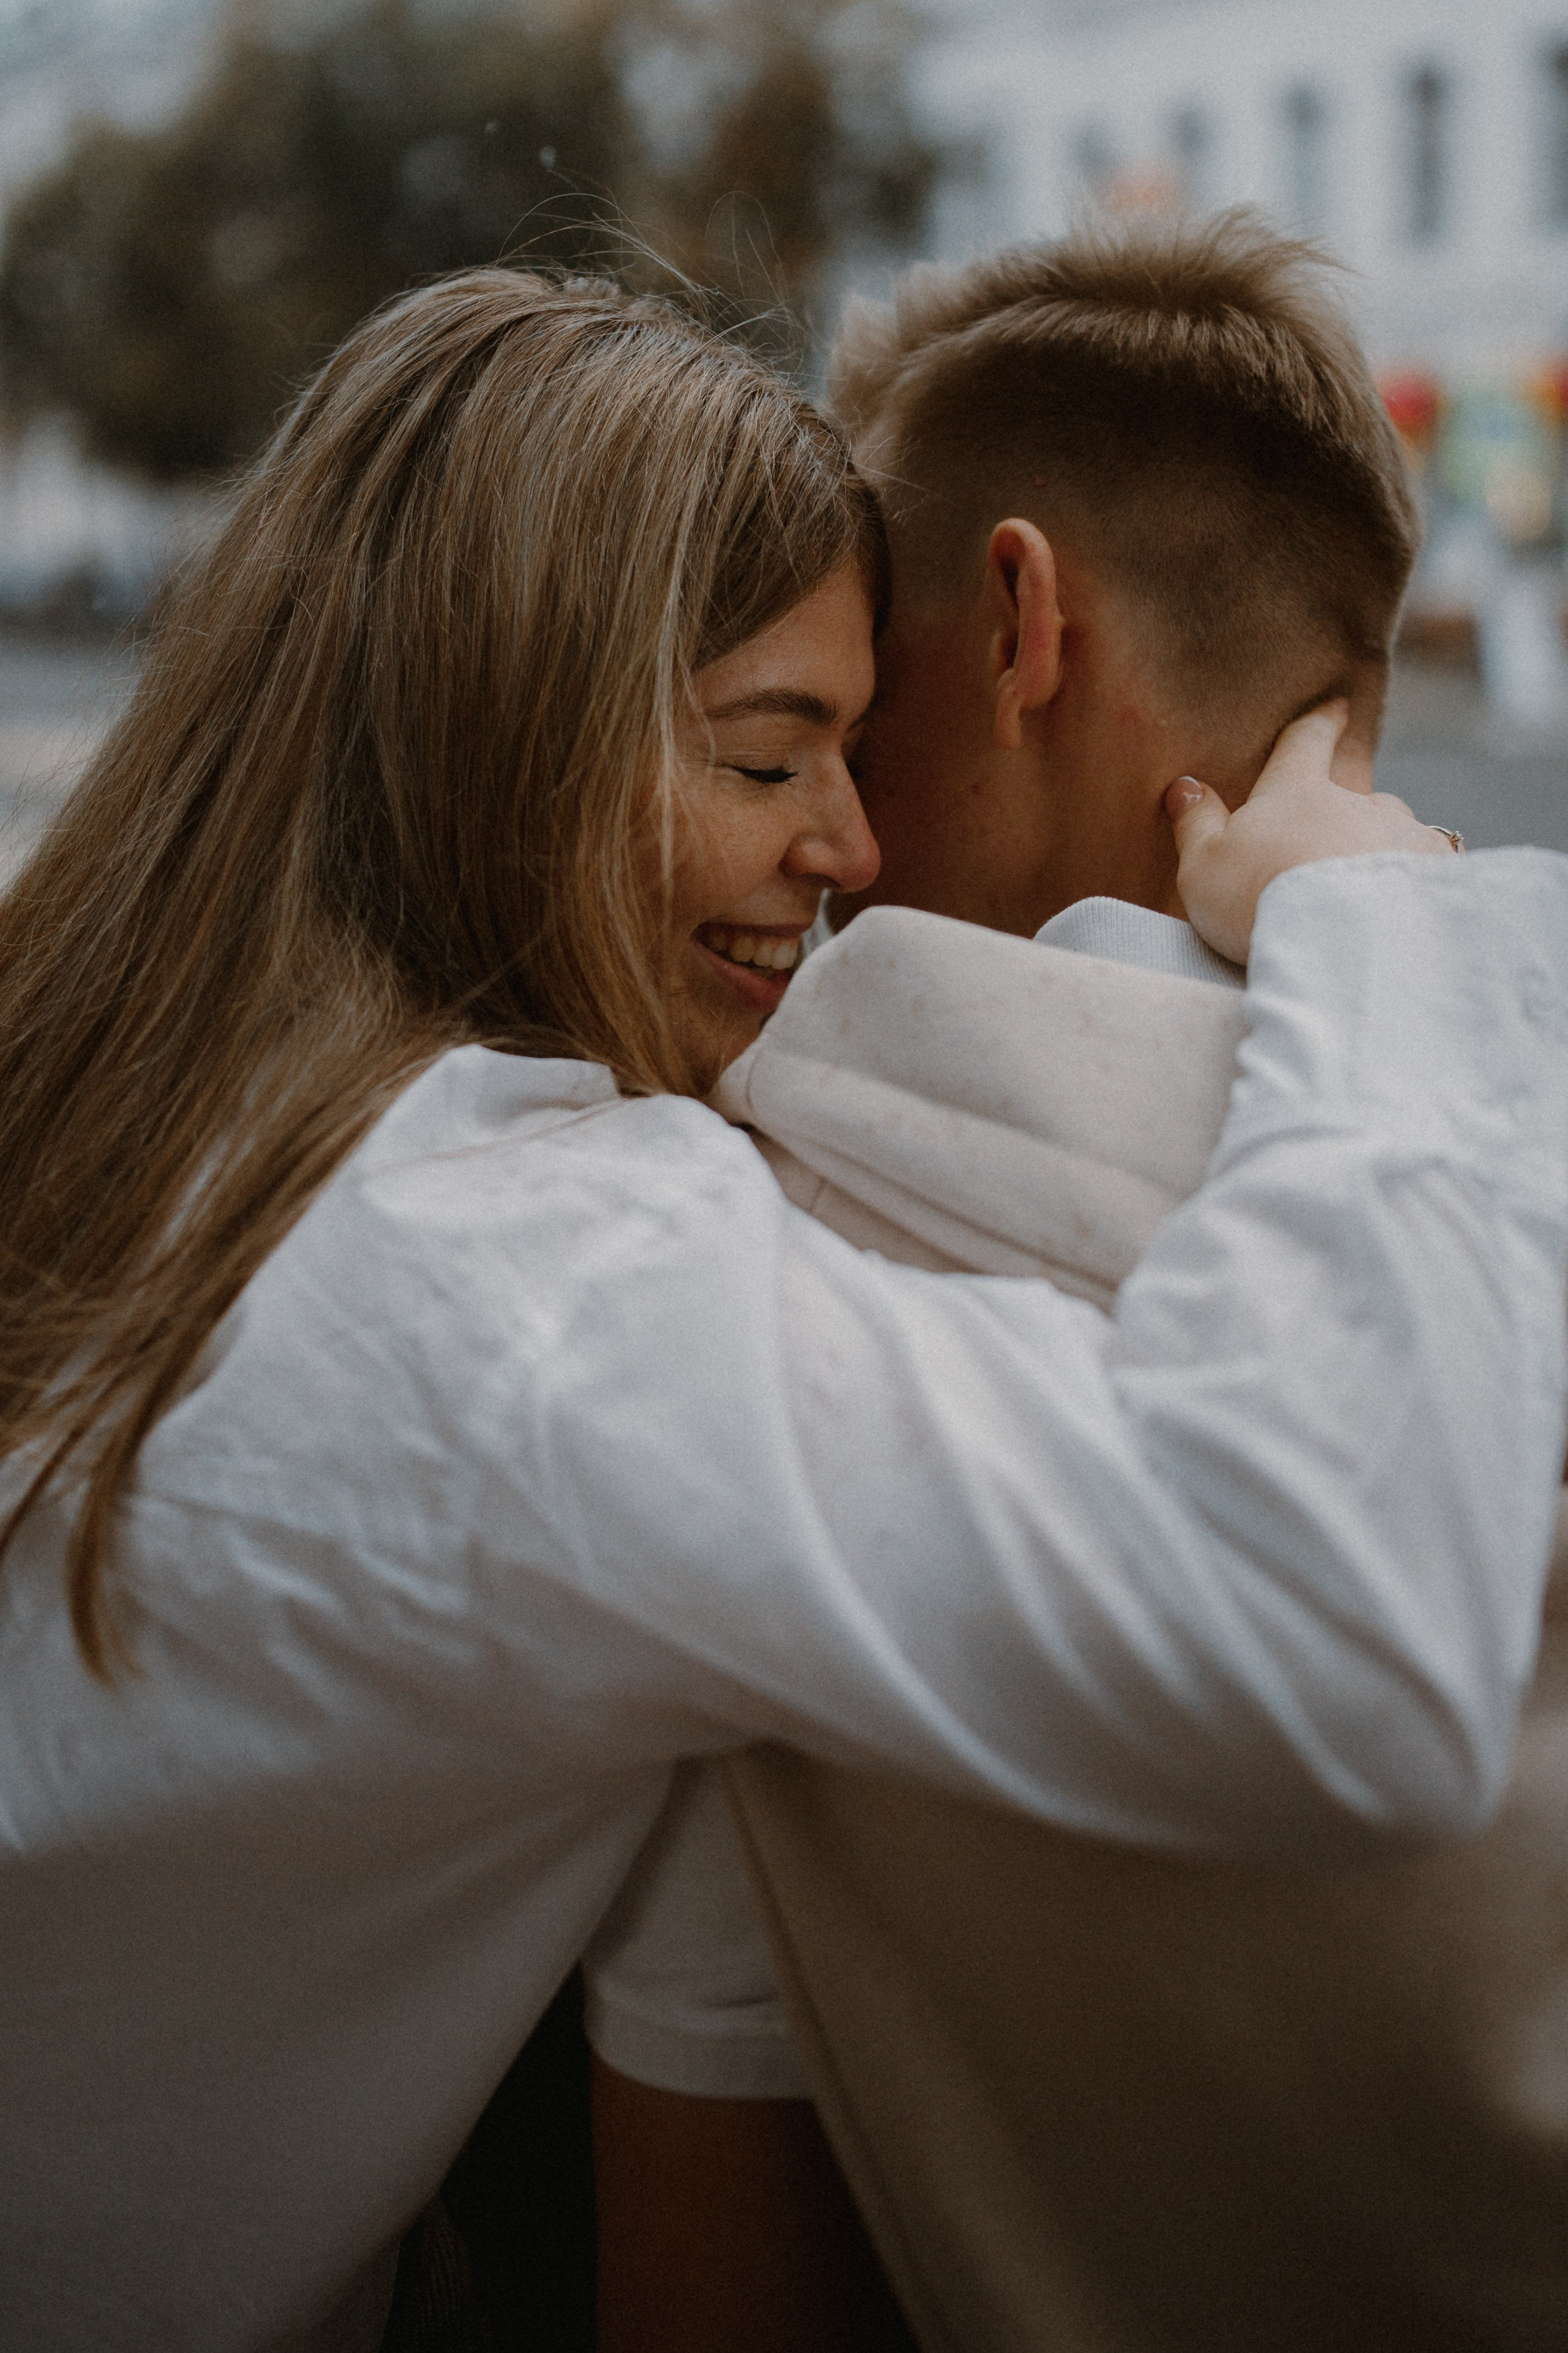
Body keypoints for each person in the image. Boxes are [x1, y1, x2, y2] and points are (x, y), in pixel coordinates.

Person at [0, 261, 1564, 2353]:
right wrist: (1386, 928)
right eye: (768, 756)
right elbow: (1331, 1626)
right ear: (509, 740)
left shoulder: (177, 1098)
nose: (848, 840)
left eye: (852, 734)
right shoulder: (539, 1281)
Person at [708, 214, 1568, 2350]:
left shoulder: (765, 1183)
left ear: (1015, 619)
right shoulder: (1506, 1027)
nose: (836, 831)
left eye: (850, 699)